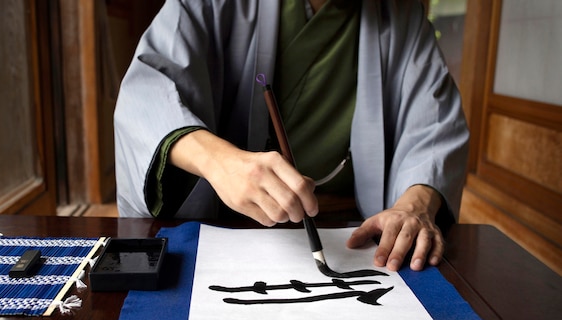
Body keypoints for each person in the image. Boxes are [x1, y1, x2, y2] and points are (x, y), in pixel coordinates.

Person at [114, 0, 469, 272]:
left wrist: (414, 205)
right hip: (229, 220)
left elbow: (434, 123)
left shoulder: (400, 12)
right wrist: (218, 161)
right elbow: (149, 93)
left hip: (353, 227)